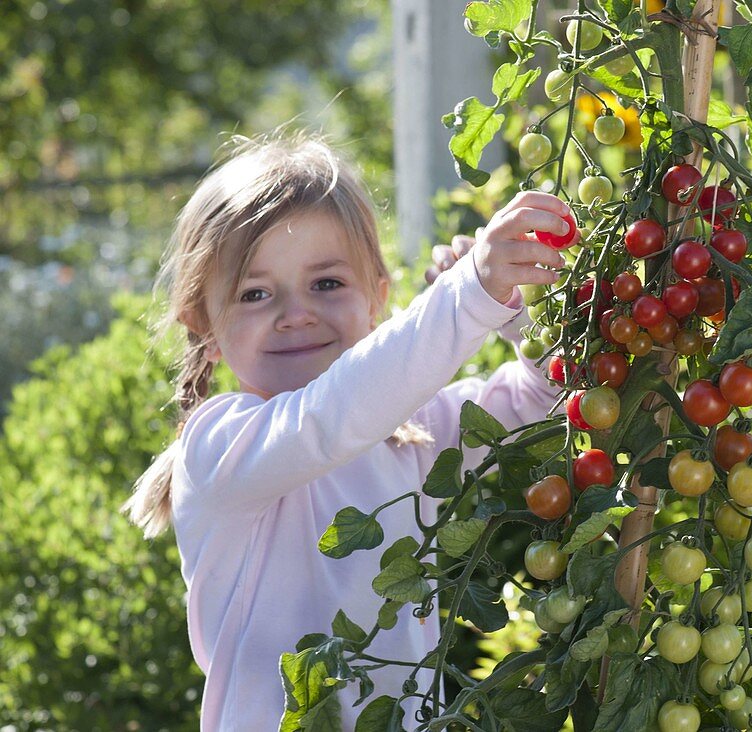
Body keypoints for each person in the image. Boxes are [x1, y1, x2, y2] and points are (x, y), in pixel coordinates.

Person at [121, 131, 571, 730]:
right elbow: (328, 419)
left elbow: (547, 399)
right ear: (205, 326)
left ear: (377, 301)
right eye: (255, 293)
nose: (296, 312)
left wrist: (510, 306)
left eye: (327, 283)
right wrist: (467, 299)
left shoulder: (415, 436)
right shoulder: (218, 447)